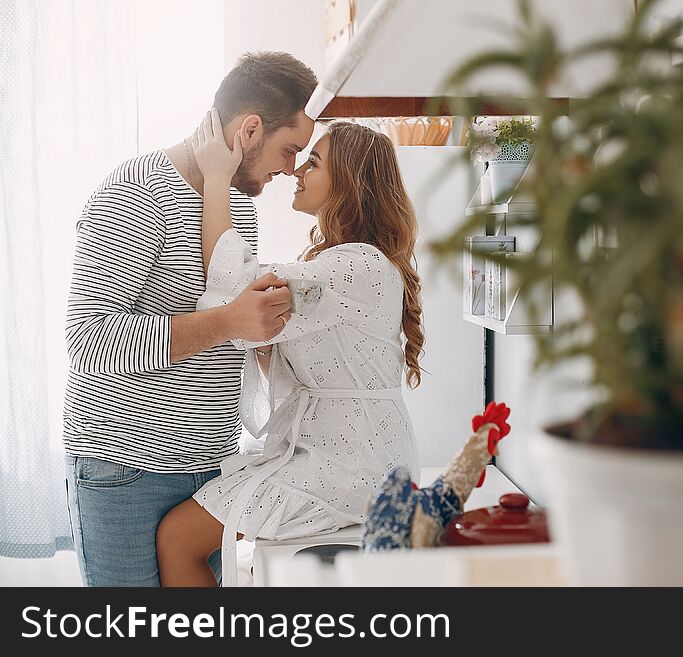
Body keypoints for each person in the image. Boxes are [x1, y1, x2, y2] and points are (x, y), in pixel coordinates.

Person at [63, 52, 318, 586]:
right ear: (250, 128)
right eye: (289, 149)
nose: (291, 169)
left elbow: (234, 320)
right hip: (125, 470)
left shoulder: (235, 204)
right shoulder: (135, 193)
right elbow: (87, 340)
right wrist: (229, 321)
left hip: (211, 470)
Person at [156, 112, 424, 586]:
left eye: (314, 162)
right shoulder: (345, 263)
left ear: (349, 182)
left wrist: (216, 180)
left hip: (348, 464)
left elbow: (238, 288)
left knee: (179, 538)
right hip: (355, 455)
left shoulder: (352, 266)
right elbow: (264, 328)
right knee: (189, 536)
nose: (297, 171)